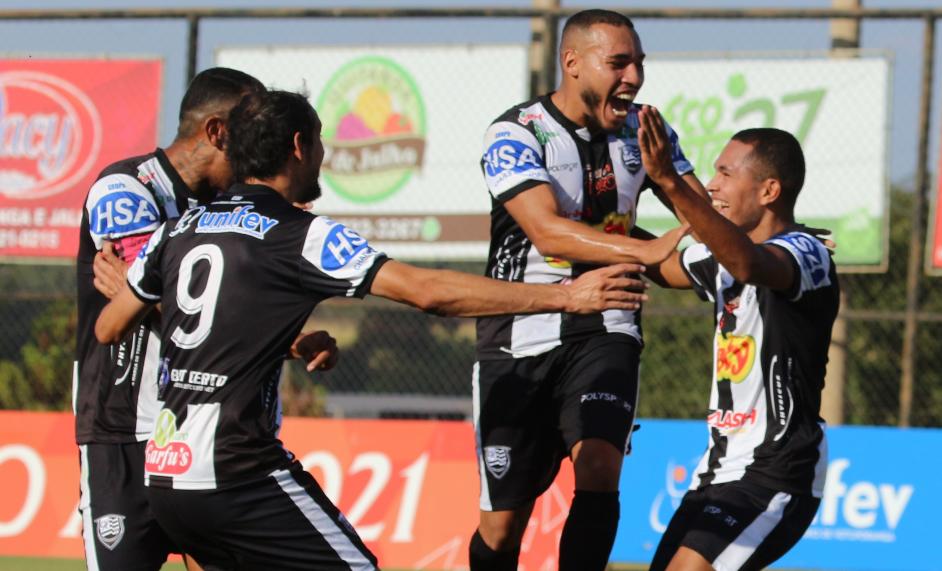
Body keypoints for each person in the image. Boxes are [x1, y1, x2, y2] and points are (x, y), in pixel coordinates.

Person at [92, 89, 651, 570]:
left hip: (165, 475)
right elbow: (428, 292)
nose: (324, 155)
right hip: (238, 472)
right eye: (319, 141)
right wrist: (567, 296)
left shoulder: (180, 229)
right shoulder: (300, 234)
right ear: (298, 146)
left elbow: (109, 327)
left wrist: (272, 337)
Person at [471, 9, 707, 570]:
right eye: (619, 63)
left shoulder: (647, 131)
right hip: (518, 332)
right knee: (501, 529)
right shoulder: (516, 133)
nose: (634, 77)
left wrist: (770, 238)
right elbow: (546, 231)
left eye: (639, 64)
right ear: (572, 62)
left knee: (600, 467)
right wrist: (643, 251)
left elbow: (706, 221)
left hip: (608, 325)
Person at [74, 67, 265, 570]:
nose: (259, 152)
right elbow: (162, 301)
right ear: (217, 131)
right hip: (123, 431)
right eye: (252, 135)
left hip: (202, 432)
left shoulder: (230, 208)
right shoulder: (125, 188)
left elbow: (182, 300)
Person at [636, 107, 839, 570]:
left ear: (769, 191)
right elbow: (662, 266)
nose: (712, 185)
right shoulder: (724, 258)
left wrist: (669, 181)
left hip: (776, 469)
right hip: (719, 467)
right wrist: (603, 221)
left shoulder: (805, 253)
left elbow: (748, 264)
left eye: (725, 174)